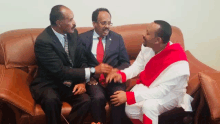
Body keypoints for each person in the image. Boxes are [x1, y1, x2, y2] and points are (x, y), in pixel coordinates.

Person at [106, 20, 193, 124]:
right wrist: (121, 75)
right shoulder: (147, 47)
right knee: (130, 108)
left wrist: (129, 96)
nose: (143, 35)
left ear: (157, 40)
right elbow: (137, 66)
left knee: (149, 106)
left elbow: (161, 91)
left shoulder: (178, 62)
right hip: (150, 86)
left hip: (171, 93)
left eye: (147, 33)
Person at [29, 5, 91, 124]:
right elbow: (60, 71)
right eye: (70, 20)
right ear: (59, 23)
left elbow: (82, 60)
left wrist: (82, 82)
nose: (74, 23)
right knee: (51, 101)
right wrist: (91, 72)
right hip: (49, 83)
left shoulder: (73, 34)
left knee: (85, 100)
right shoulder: (43, 41)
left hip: (69, 83)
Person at [79, 8, 131, 124]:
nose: (107, 26)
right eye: (103, 23)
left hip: (113, 78)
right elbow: (80, 63)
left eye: (109, 23)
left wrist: (115, 70)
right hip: (94, 79)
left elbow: (126, 62)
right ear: (94, 24)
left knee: (118, 97)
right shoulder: (82, 39)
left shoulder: (117, 38)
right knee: (98, 97)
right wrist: (89, 76)